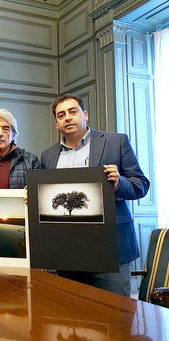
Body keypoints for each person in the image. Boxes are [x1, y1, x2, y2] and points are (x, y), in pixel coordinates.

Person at [40, 93, 150, 296]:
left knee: (117, 318)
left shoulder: (116, 142)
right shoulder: (48, 156)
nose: (67, 117)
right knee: (73, 319)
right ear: (56, 123)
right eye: (61, 115)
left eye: (73, 112)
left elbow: (141, 185)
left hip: (110, 250)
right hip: (66, 253)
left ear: (85, 114)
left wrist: (119, 183)